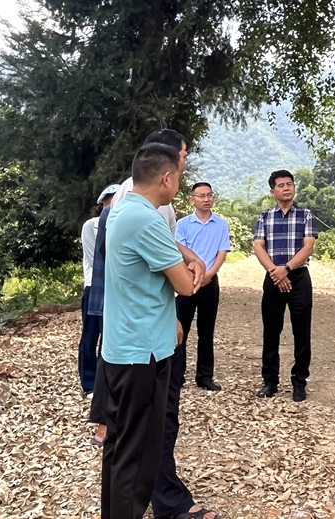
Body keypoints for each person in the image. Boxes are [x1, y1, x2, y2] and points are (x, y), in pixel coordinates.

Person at [100, 143, 195, 519]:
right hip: (143, 352)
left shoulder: (120, 209)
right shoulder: (147, 220)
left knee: (120, 448)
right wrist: (194, 269)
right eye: (179, 177)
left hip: (121, 346)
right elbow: (185, 286)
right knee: (138, 458)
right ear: (166, 178)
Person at [253, 170, 318, 402]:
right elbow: (258, 247)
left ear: (294, 188)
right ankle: (270, 381)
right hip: (273, 277)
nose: (286, 188)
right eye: (281, 185)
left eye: (289, 184)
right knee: (271, 331)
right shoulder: (264, 217)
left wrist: (286, 269)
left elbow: (308, 247)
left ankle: (299, 382)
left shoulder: (306, 215)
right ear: (273, 191)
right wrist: (275, 271)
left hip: (298, 278)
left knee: (301, 332)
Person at [174, 182, 231, 392]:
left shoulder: (221, 224)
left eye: (209, 195)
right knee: (181, 328)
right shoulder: (183, 224)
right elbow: (180, 251)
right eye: (201, 196)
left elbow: (222, 252)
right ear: (192, 200)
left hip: (210, 280)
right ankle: (176, 374)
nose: (206, 199)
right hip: (186, 280)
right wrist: (193, 274)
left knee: (206, 330)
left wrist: (209, 274)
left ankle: (205, 376)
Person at [78, 184, 119, 398]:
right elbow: (96, 258)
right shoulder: (91, 226)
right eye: (110, 200)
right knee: (90, 336)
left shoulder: (123, 224)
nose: (114, 205)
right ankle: (89, 383)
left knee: (110, 338)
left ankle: (107, 383)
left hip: (116, 288)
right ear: (102, 203)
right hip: (95, 286)